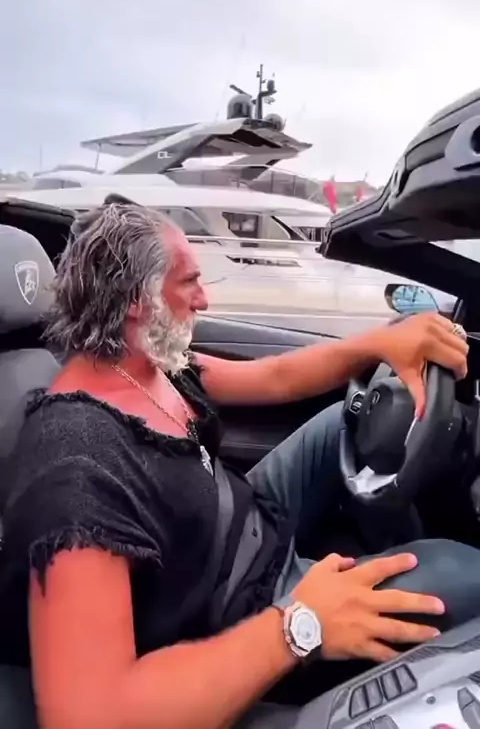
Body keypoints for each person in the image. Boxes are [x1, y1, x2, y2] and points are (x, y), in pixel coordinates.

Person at [0, 200, 475, 729]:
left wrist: (381, 342)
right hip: (238, 601)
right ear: (136, 299)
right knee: (459, 574)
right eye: (189, 282)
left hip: (235, 515)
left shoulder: (148, 363)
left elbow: (276, 377)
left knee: (349, 419)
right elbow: (90, 717)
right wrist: (302, 622)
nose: (204, 299)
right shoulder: (75, 467)